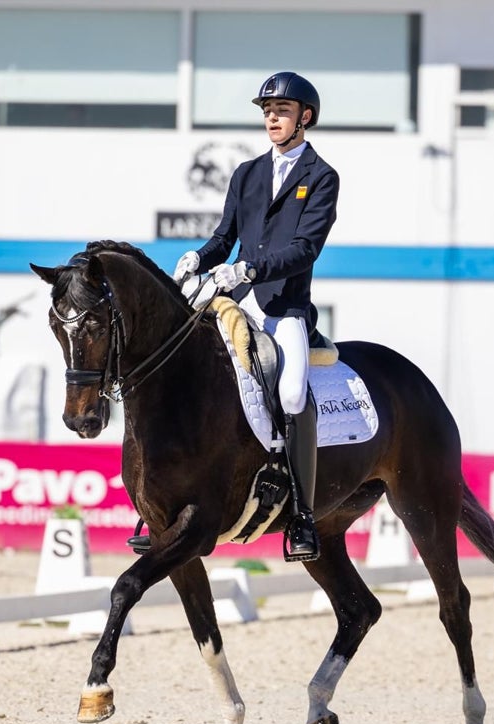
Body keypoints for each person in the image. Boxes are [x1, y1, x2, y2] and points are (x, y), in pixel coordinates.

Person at [173, 71, 339, 562]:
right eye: (267, 110)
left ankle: (303, 516)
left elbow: (305, 249)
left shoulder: (321, 177)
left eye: (281, 110)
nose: (271, 117)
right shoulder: (246, 173)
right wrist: (199, 259)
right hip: (236, 298)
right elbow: (225, 236)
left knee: (290, 392)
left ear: (304, 118)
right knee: (186, 367)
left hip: (282, 306)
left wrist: (249, 266)